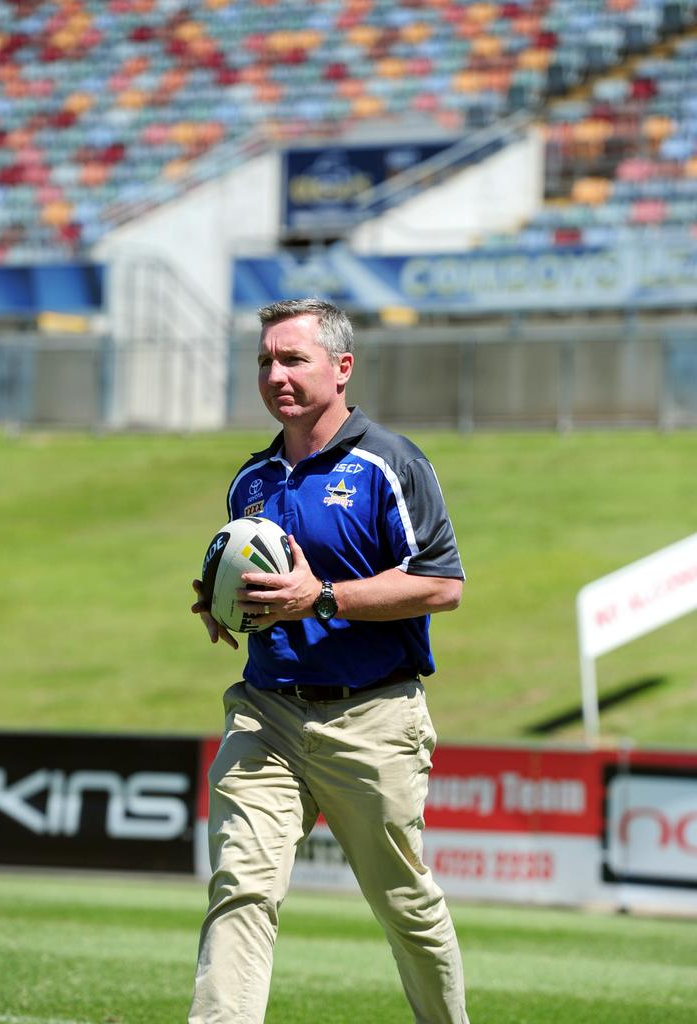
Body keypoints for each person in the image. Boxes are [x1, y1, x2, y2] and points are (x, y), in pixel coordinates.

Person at [189, 298, 470, 1024]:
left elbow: (442, 585)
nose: (274, 374)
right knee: (241, 887)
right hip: (267, 714)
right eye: (264, 361)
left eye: (292, 359)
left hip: (373, 718)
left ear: (342, 368)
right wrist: (223, 604)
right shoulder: (249, 483)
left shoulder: (390, 463)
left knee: (404, 906)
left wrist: (321, 599)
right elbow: (262, 584)